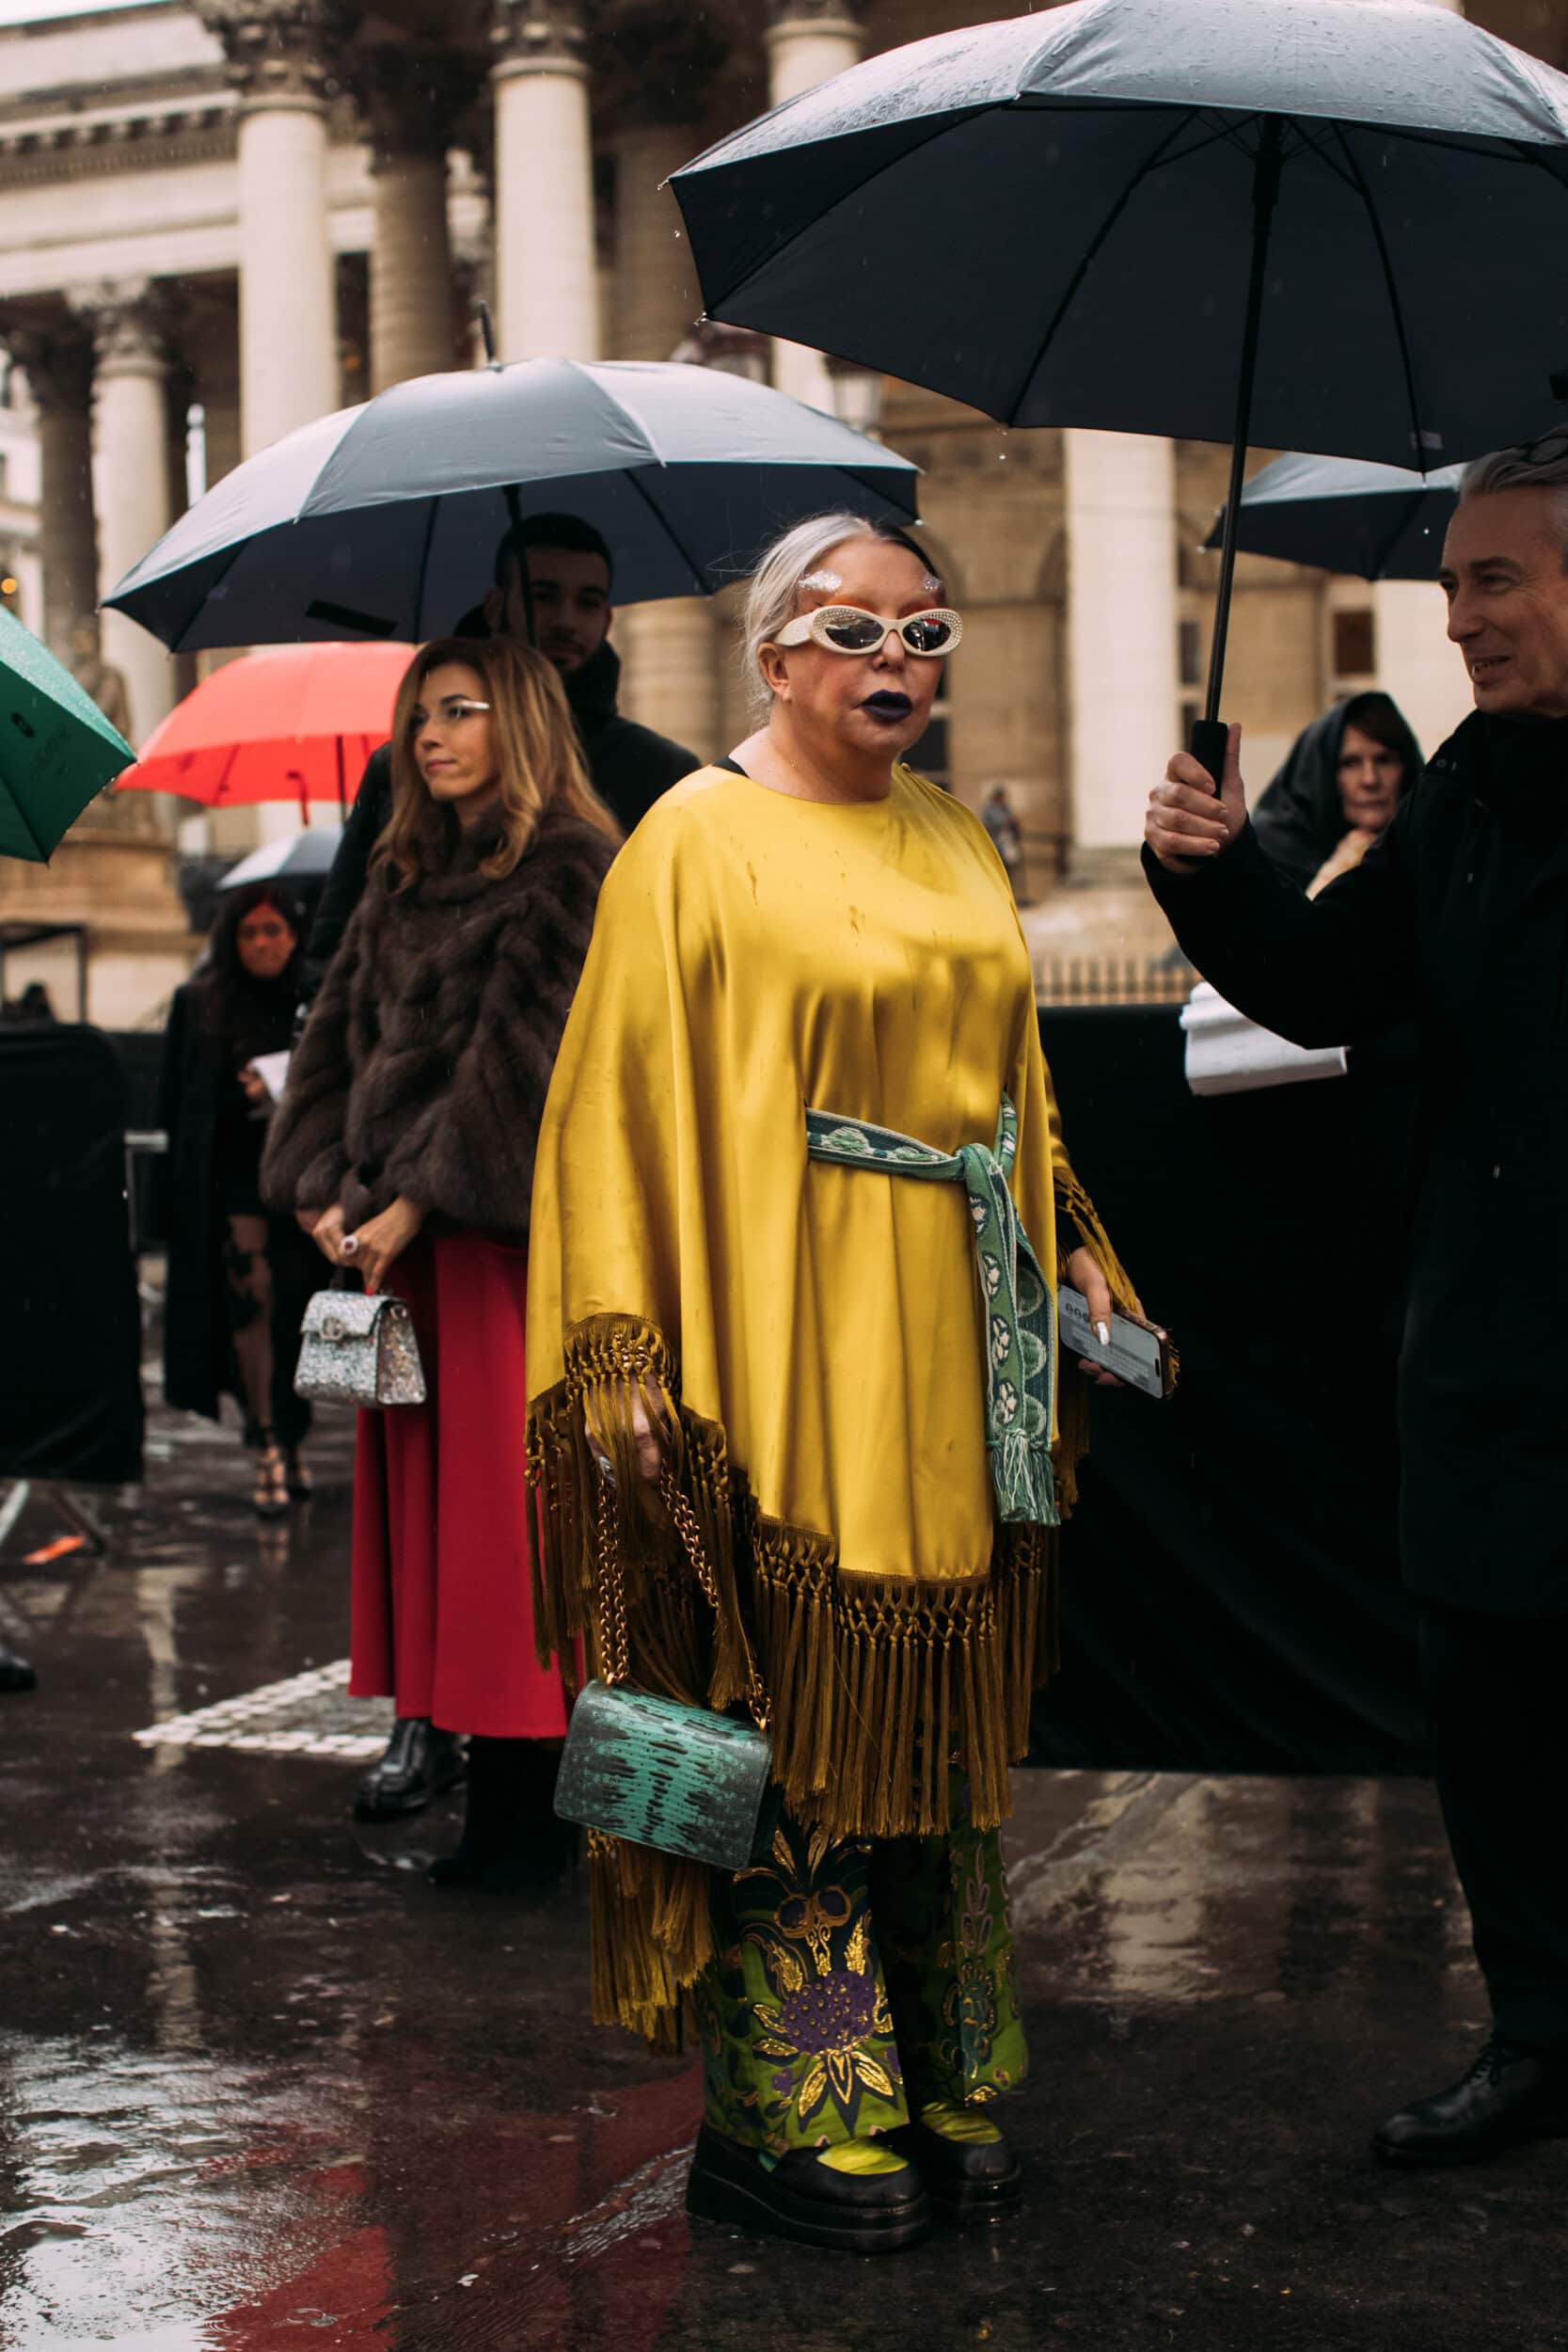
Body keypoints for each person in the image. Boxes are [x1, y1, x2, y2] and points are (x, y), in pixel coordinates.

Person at [526, 513, 1142, 2252]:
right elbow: (613, 1110)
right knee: (785, 1709)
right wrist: (617, 1347)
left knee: (930, 1717)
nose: (896, 661)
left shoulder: (958, 837)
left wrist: (1068, 1235)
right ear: (773, 655)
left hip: (950, 1331)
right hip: (767, 1325)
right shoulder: (690, 842)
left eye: (925, 630)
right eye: (853, 628)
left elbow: (1006, 1088)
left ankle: (943, 2050)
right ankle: (795, 2097)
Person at [1143, 432, 1568, 2170]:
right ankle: (1539, 2036)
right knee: (1491, 1710)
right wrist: (1213, 868)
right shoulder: (1468, 782)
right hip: (1480, 1346)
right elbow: (1326, 983)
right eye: (1451, 578)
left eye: (1495, 577)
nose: (1455, 615)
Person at [263, 637, 620, 1871]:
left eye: (461, 710)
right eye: (420, 713)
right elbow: (331, 1048)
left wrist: (413, 1199)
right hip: (397, 1260)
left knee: (502, 1536)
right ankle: (492, 1792)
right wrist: (321, 1184)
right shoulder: (400, 869)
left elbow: (533, 1072)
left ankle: (529, 1820)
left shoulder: (573, 865)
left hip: (497, 1259)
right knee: (437, 1535)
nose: (431, 734)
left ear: (517, 722)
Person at [298, 514, 700, 1008]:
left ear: (607, 620)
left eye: (588, 602)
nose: (566, 620)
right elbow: (338, 942)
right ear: (496, 605)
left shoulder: (659, 771)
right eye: (543, 596)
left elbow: (686, 950)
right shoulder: (405, 766)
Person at [155, 883, 318, 1518]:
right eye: (249, 933)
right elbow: (177, 1105)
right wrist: (239, 1090)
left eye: (273, 930)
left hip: (301, 1187)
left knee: (297, 1314)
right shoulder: (200, 1004)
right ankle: (267, 1442)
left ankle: (293, 1433)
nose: (261, 944)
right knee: (254, 1310)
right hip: (234, 1185)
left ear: (294, 935)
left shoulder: (315, 1000)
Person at [1251, 691, 1423, 897]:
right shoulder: (1265, 857)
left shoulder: (1433, 846)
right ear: (1321, 773)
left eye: (1384, 760)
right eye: (1350, 763)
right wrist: (1339, 873)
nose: (1370, 780)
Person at [982, 782, 1027, 899]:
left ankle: (1009, 895)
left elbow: (1012, 821)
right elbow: (990, 824)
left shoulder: (1005, 808)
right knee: (998, 871)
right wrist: (1006, 822)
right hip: (996, 844)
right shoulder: (990, 809)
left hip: (1007, 843)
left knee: (1009, 871)